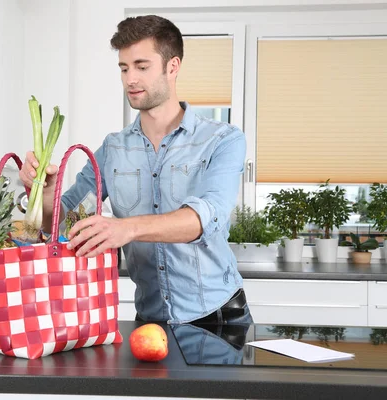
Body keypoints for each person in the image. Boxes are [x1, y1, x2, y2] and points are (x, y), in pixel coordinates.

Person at [19, 15, 251, 325]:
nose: (131, 79)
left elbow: (205, 217)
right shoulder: (112, 150)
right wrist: (44, 191)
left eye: (142, 67)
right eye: (124, 68)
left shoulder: (222, 140)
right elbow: (62, 224)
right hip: (150, 319)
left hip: (219, 318)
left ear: (173, 67)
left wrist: (126, 228)